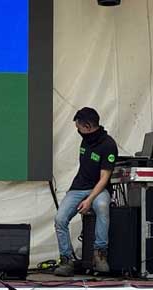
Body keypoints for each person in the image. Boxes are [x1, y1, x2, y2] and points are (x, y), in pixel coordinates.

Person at [54, 107, 118, 277]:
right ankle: (66, 260)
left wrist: (90, 199)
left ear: (88, 126)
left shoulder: (108, 145)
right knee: (60, 218)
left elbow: (104, 178)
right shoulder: (86, 140)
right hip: (78, 187)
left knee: (103, 206)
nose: (78, 131)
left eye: (79, 127)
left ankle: (100, 254)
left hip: (99, 189)